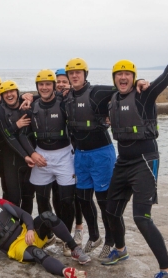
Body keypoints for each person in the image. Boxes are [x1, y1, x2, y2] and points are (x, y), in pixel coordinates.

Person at [102, 24, 168, 278]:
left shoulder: (145, 95)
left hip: (144, 161)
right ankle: (120, 249)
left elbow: (167, 77)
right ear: (114, 79)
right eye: (119, 74)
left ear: (134, 77)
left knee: (142, 217)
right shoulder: (112, 99)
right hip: (123, 161)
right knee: (110, 210)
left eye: (128, 74)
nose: (123, 77)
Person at [64, 58, 150, 259]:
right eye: (71, 73)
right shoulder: (66, 97)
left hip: (101, 152)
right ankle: (94, 236)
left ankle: (111, 241)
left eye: (79, 72)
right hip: (81, 155)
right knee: (83, 198)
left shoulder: (97, 92)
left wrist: (140, 82)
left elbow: (123, 87)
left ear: (85, 74)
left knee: (105, 202)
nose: (75, 76)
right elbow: (45, 99)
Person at [0, 184, 89, 278]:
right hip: (16, 248)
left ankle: (74, 249)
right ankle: (65, 271)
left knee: (47, 216)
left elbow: (24, 215)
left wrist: (30, 229)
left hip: (27, 234)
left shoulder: (0, 203)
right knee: (37, 253)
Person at [19, 69, 76, 233]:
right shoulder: (32, 107)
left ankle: (67, 237)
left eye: (48, 84)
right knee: (42, 200)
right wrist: (32, 153)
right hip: (40, 155)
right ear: (37, 87)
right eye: (41, 85)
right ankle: (49, 233)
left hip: (64, 155)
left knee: (66, 200)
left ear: (53, 86)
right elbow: (22, 135)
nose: (44, 88)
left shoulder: (64, 104)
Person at [51, 68, 84, 255]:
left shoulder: (75, 98)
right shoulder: (54, 99)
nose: (61, 84)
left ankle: (78, 229)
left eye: (65, 81)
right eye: (59, 81)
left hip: (74, 151)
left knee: (74, 194)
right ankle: (63, 229)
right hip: (58, 154)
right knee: (58, 193)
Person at [0, 80, 35, 214]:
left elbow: (46, 97)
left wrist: (31, 96)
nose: (9, 95)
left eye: (12, 91)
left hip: (30, 160)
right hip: (11, 160)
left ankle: (26, 230)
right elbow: (5, 135)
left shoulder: (28, 106)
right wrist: (16, 126)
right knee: (13, 198)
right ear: (1, 96)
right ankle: (12, 230)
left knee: (28, 197)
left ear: (17, 93)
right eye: (5, 93)